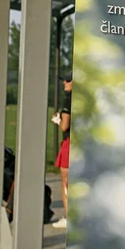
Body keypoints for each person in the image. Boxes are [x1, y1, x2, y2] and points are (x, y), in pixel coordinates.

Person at [52, 73, 72, 229]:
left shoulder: (68, 99)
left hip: (68, 143)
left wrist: (58, 120)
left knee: (66, 182)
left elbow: (65, 126)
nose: (64, 82)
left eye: (68, 80)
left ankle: (67, 216)